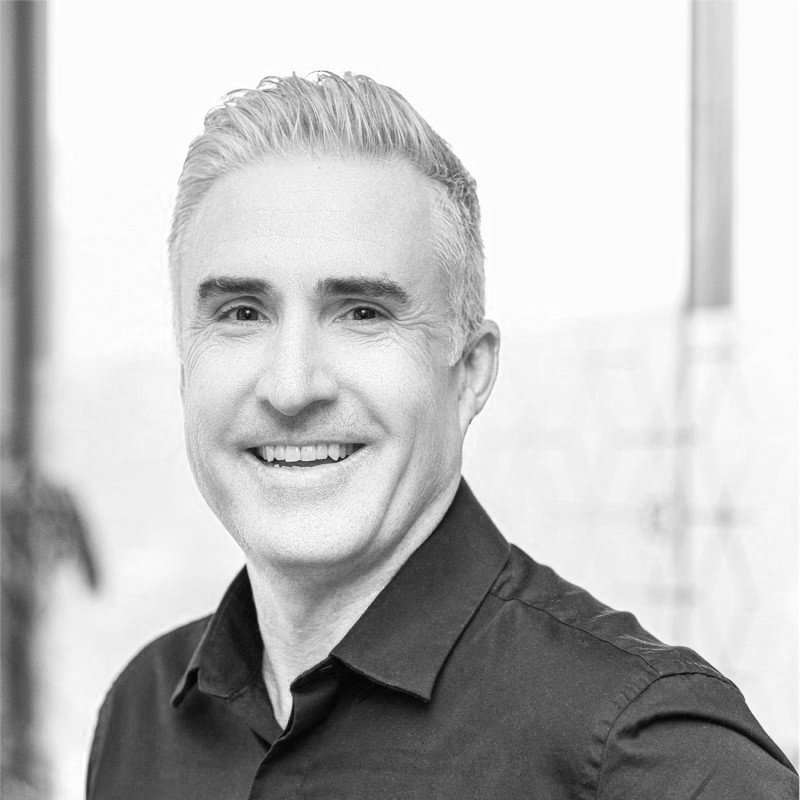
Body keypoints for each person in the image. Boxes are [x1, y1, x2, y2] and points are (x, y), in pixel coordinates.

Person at [87, 72, 797, 799]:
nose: (292, 386)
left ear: (470, 374)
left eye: (362, 312)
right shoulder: (141, 719)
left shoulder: (651, 756)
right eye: (241, 313)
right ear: (186, 367)